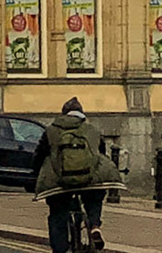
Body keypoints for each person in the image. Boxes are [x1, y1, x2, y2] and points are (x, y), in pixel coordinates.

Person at [31, 96, 122, 253]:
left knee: (57, 213)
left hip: (60, 182)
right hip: (88, 179)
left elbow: (40, 155)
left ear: (63, 114)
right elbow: (100, 154)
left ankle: (60, 249)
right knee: (94, 199)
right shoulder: (92, 130)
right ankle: (94, 225)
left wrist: (36, 173)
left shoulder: (51, 131)